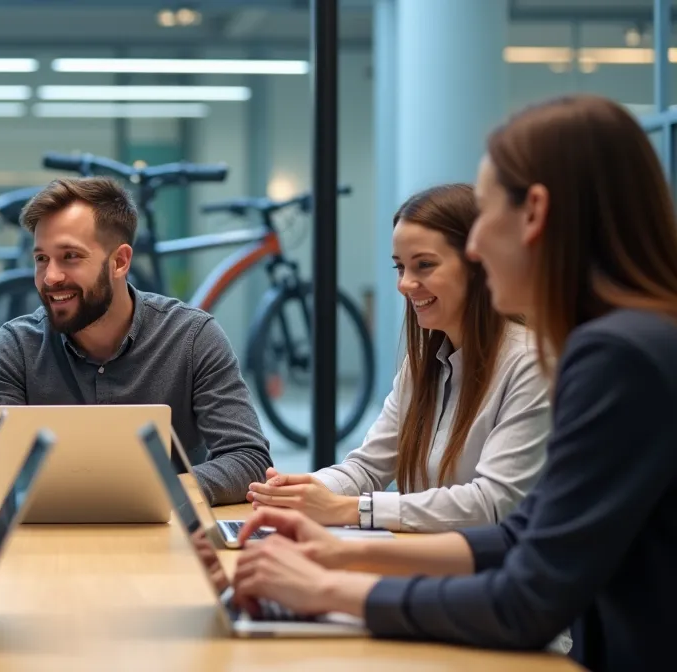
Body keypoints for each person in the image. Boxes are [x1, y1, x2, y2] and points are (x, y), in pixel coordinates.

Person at [228, 94, 677, 671]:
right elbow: (525, 535)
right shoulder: (636, 339)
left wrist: (329, 589)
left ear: (535, 213)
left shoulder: (614, 356)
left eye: (484, 215)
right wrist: (336, 556)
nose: (476, 246)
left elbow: (528, 596)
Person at [245, 184, 551, 532]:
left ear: (477, 266)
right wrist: (299, 491)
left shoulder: (531, 364)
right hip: (427, 562)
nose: (405, 284)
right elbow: (367, 467)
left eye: (423, 265)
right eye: (400, 267)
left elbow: (491, 503)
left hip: (484, 576)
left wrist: (350, 510)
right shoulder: (423, 365)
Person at [0, 176, 273, 505]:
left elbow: (249, 460)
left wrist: (152, 491)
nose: (50, 276)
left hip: (170, 542)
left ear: (120, 261)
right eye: (41, 259)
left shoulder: (192, 338)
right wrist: (108, 492)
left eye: (70, 256)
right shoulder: (15, 347)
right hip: (47, 545)